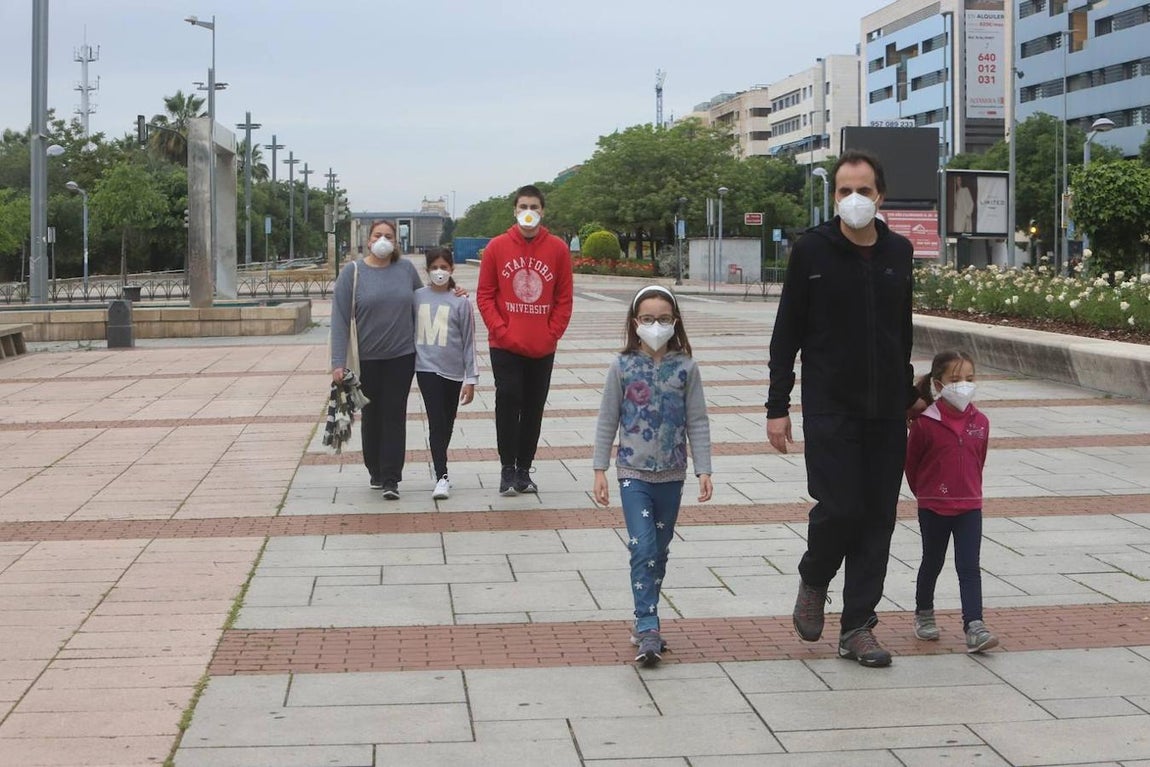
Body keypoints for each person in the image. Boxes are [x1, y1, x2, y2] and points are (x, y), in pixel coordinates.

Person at [766, 149, 921, 668]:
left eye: (864, 190)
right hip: (831, 404)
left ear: (881, 195)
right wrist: (777, 404)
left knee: (878, 518)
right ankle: (814, 577)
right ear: (834, 196)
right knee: (841, 508)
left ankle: (858, 627)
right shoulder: (813, 249)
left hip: (885, 410)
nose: (854, 199)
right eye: (844, 190)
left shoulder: (899, 251)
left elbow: (901, 331)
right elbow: (787, 329)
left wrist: (909, 396)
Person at [592, 286, 713, 667]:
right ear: (635, 323)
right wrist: (601, 469)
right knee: (642, 546)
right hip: (633, 474)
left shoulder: (686, 367)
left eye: (663, 318)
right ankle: (648, 624)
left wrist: (703, 468)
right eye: (647, 319)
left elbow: (698, 421)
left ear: (675, 323)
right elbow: (607, 419)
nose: (655, 325)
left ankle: (647, 615)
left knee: (658, 551)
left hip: (672, 475)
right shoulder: (623, 366)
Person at [476, 184, 574, 496]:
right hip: (504, 344)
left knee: (533, 407)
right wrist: (500, 329)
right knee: (508, 401)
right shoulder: (497, 247)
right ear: (515, 211)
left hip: (541, 345)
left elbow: (564, 298)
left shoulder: (557, 249)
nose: (528, 212)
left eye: (534, 206)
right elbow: (485, 295)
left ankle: (523, 470)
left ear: (542, 211)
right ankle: (507, 469)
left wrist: (552, 333)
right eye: (523, 207)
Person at [905, 350, 998, 654]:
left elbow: (979, 459)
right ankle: (924, 613)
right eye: (955, 379)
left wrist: (969, 489)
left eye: (969, 379)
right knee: (932, 561)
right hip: (934, 506)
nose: (963, 385)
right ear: (938, 384)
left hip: (970, 506)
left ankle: (975, 625)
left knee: (969, 566)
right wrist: (927, 493)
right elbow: (912, 464)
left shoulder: (980, 422)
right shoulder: (924, 423)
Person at [330, 219, 423, 500]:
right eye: (378, 235)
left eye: (389, 236)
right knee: (372, 414)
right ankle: (375, 469)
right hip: (365, 360)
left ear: (396, 242)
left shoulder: (406, 270)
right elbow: (340, 319)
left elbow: (424, 301)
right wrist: (337, 362)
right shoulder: (353, 272)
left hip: (401, 357)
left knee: (394, 414)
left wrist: (452, 293)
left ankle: (391, 476)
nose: (383, 240)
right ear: (368, 240)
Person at [414, 247, 479, 501]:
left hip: (453, 372)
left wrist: (470, 379)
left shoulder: (460, 302)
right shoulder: (416, 297)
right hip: (426, 369)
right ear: (427, 270)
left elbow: (468, 342)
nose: (439, 272)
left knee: (447, 422)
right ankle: (442, 475)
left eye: (444, 267)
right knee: (435, 421)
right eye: (434, 267)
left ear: (452, 269)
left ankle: (440, 461)